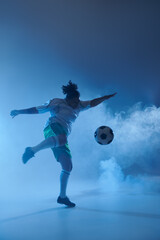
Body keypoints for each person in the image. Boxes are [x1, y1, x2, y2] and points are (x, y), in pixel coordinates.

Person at [10, 80, 117, 207]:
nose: (76, 104)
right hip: (52, 127)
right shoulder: (57, 102)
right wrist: (19, 111)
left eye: (78, 101)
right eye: (74, 101)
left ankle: (62, 197)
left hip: (63, 135)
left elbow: (92, 102)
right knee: (62, 139)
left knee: (67, 166)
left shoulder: (79, 106)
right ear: (68, 99)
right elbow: (38, 109)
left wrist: (105, 98)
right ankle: (32, 150)